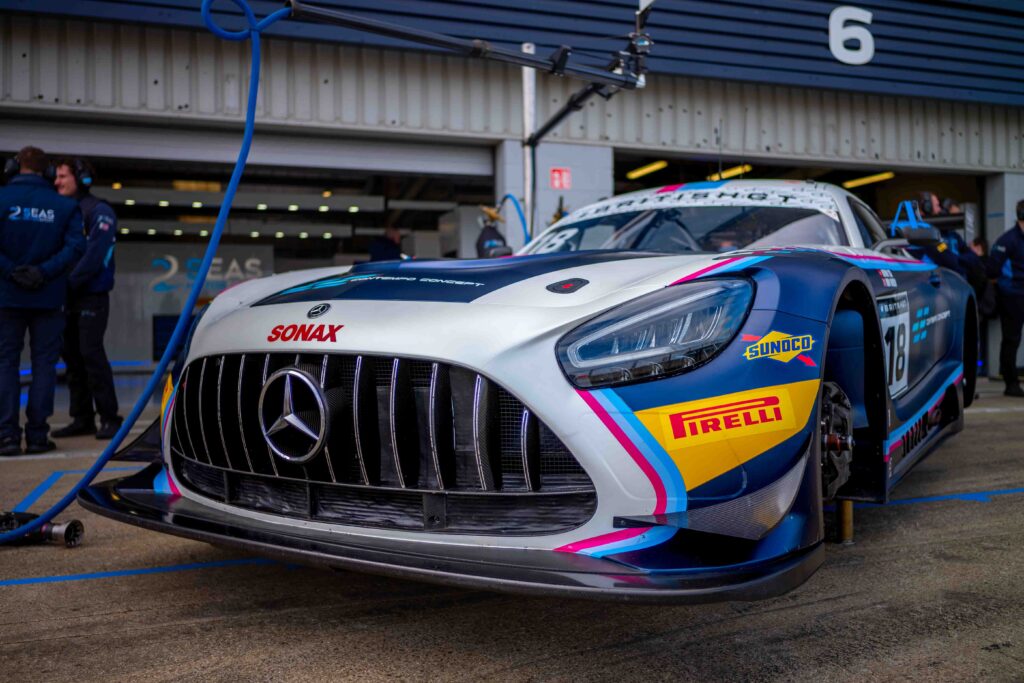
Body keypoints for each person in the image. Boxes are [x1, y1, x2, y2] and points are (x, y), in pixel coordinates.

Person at [0, 147, 85, 455]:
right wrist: (43, 272)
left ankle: (7, 437)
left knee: (6, 364)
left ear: (13, 167)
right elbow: (77, 246)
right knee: (44, 366)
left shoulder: (2, 200)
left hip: (7, 297)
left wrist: (12, 272)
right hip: (48, 297)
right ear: (48, 172)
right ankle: (37, 436)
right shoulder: (63, 207)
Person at [52, 158, 122, 439]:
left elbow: (95, 255)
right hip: (65, 296)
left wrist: (67, 284)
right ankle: (82, 418)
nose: (56, 181)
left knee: (91, 355)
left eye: (62, 176)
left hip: (91, 296)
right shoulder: (62, 211)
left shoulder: (99, 210)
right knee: (71, 358)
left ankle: (110, 417)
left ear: (80, 178)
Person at [988, 199, 1024, 397]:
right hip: (1012, 296)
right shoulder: (1007, 240)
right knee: (1011, 339)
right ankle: (1011, 383)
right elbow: (992, 269)